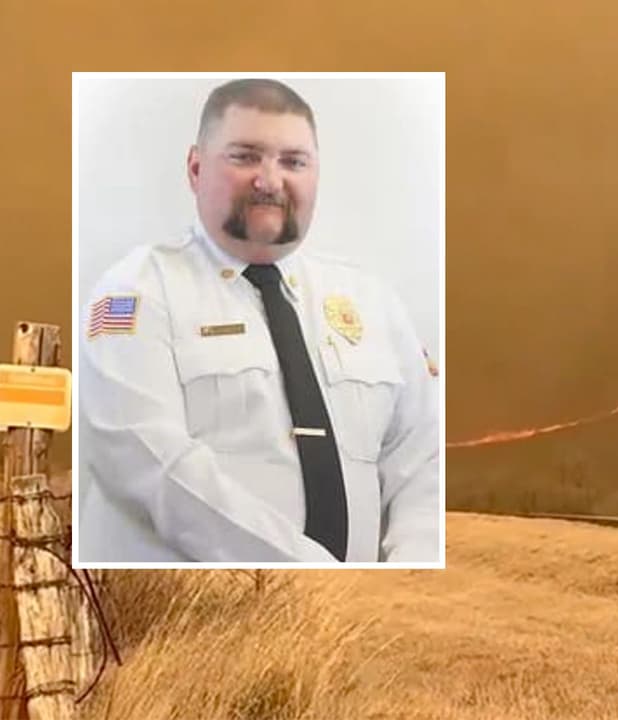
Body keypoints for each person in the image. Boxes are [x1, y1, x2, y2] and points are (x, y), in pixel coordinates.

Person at [78, 79, 440, 563]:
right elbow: (152, 465)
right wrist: (316, 577)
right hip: (202, 614)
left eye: (293, 161)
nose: (270, 180)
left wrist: (408, 576)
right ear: (195, 167)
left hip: (364, 615)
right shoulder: (136, 293)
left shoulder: (373, 303)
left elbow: (420, 462)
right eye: (246, 156)